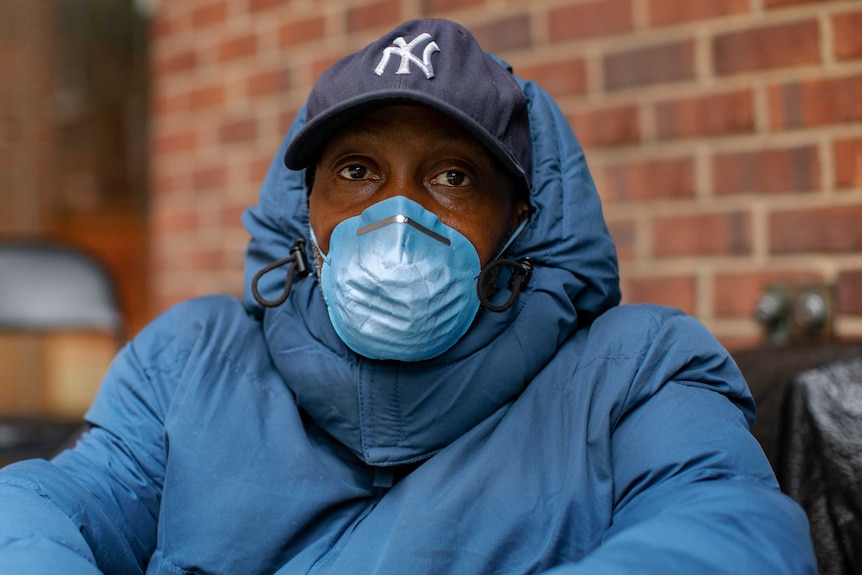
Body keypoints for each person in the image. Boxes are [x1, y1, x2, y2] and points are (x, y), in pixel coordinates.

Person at [0, 18, 816, 574]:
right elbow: (48, 504)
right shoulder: (192, 358)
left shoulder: (633, 372)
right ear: (304, 207)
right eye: (356, 171)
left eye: (453, 176)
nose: (398, 216)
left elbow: (731, 533)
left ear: (520, 220)